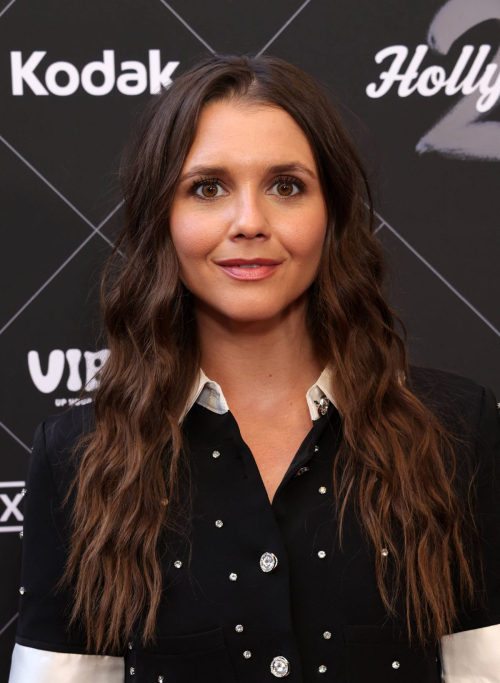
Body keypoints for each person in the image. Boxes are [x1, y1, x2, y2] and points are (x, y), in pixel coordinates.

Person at [8, 53, 500, 683]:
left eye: (286, 186)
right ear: (164, 218)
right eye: (208, 187)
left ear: (333, 213)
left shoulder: (457, 432)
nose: (249, 223)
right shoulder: (79, 458)